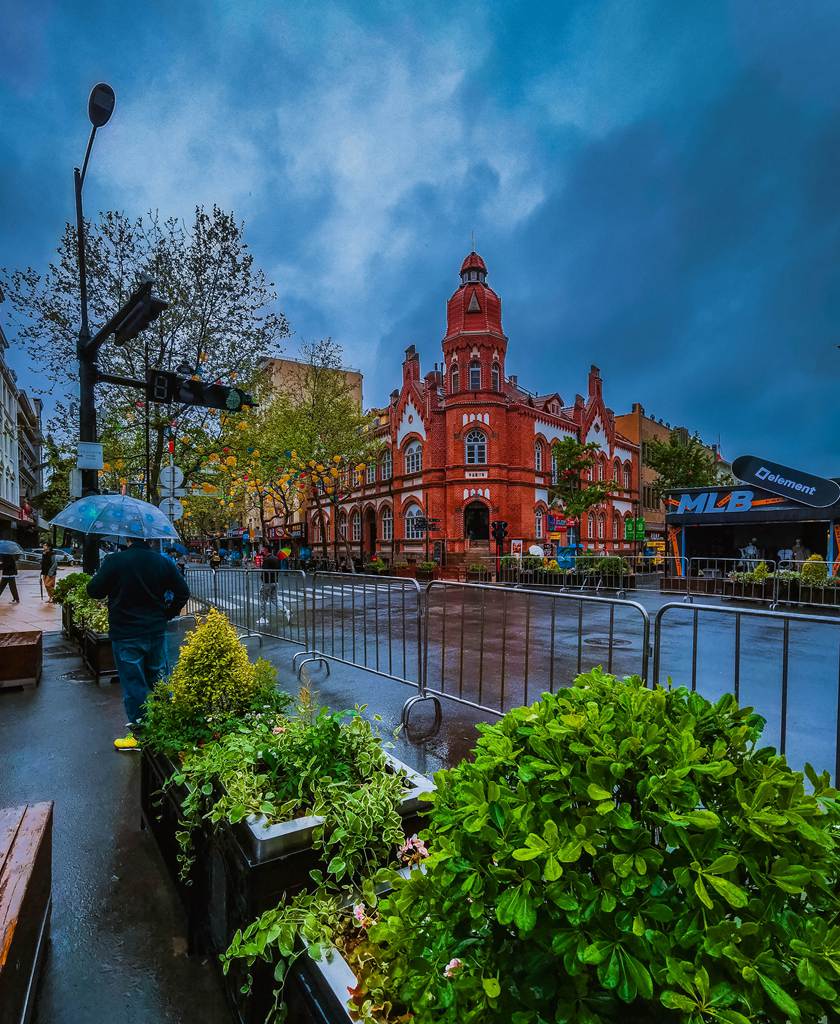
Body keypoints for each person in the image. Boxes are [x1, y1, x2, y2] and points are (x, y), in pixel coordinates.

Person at [87, 537, 189, 751]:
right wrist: (168, 613)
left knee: (134, 684)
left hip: (126, 633)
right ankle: (167, 725)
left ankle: (140, 734)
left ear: (127, 537)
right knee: (160, 679)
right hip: (155, 631)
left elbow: (94, 590)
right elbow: (183, 592)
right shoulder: (162, 562)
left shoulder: (115, 560)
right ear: (150, 539)